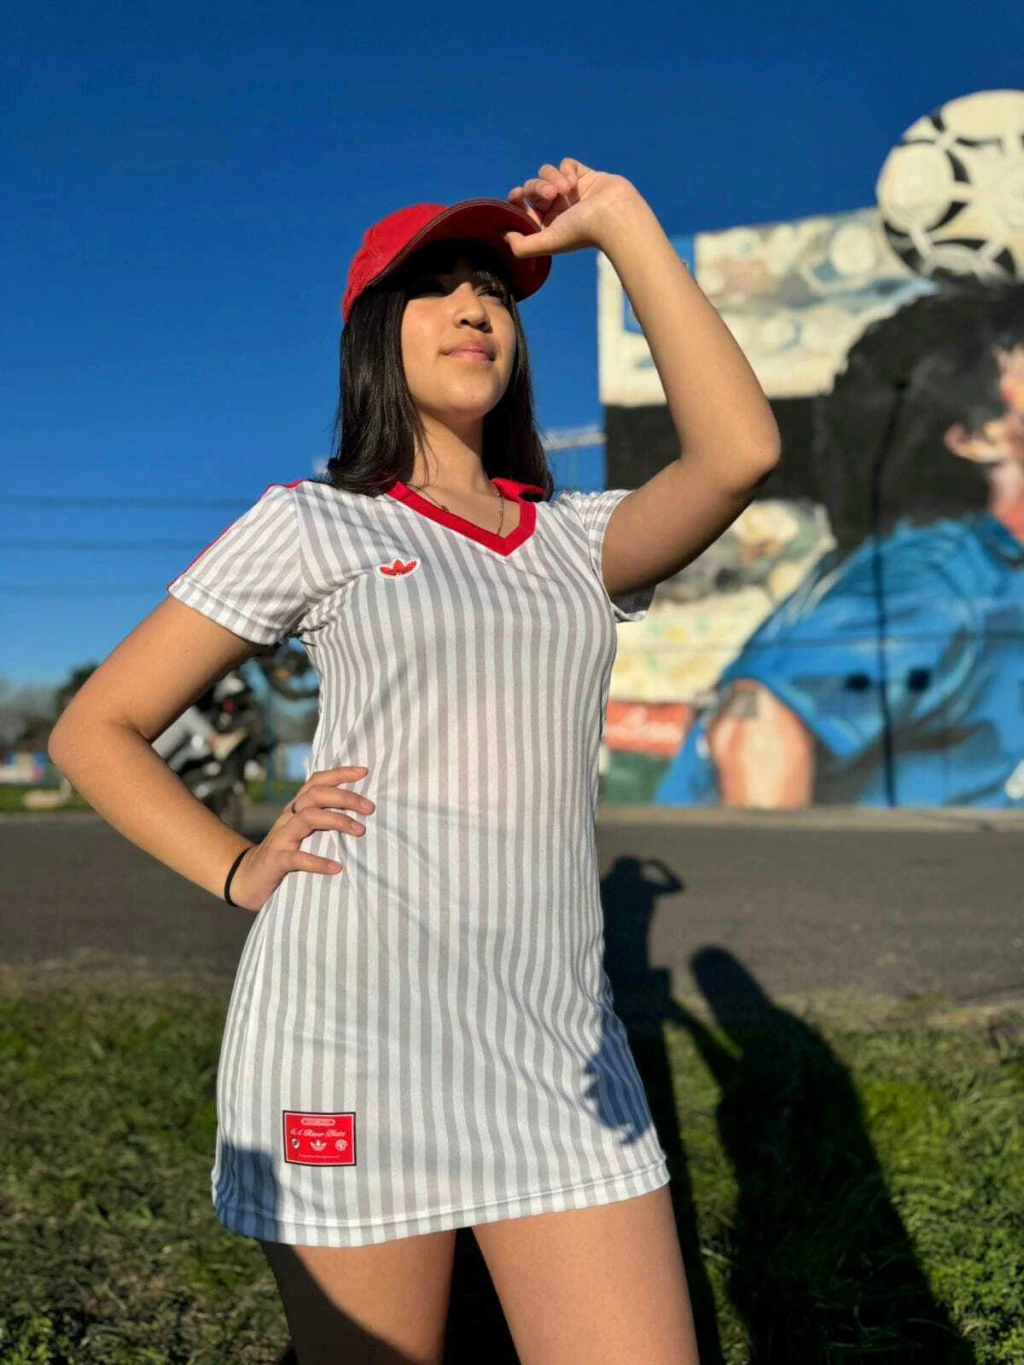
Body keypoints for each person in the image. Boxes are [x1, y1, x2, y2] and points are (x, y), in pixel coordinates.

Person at [48, 157, 780, 1364]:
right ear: (373, 337)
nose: (475, 308)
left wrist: (623, 226)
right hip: (350, 1036)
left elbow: (740, 452)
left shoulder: (578, 540)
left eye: (492, 289)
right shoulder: (313, 522)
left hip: (555, 1050)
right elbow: (96, 728)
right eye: (435, 287)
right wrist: (237, 867)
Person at [656, 282, 1024, 809]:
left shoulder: (983, 568)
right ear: (975, 437)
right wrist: (779, 869)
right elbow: (754, 725)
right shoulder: (936, 579)